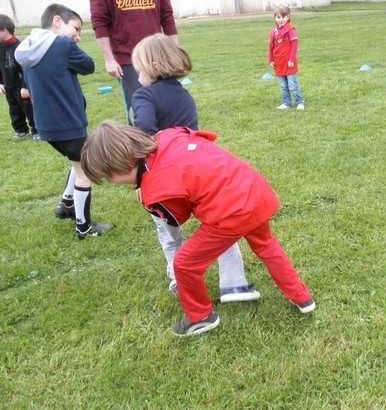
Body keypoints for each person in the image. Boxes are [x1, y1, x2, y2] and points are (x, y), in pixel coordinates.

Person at [81, 121, 315, 336]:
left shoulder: (154, 187)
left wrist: (151, 203)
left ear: (117, 167)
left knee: (184, 264)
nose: (111, 182)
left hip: (230, 214)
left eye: (108, 177)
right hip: (254, 189)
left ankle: (200, 316)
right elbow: (205, 137)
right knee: (266, 245)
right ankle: (302, 298)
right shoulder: (168, 135)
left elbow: (177, 218)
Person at [131, 33, 260, 302]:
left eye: (138, 66)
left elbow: (144, 135)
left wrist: (140, 180)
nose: (136, 73)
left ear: (153, 66)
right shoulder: (185, 95)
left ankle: (180, 280)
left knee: (170, 235)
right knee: (219, 224)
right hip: (195, 178)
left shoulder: (143, 96)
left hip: (163, 182)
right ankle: (234, 286)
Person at [15, 4, 114, 239]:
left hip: (45, 123)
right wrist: (70, 48)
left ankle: (66, 205)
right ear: (58, 21)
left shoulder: (27, 47)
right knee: (85, 171)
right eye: (76, 29)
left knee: (76, 162)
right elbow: (88, 66)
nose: (77, 36)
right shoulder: (61, 44)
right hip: (68, 121)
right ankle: (84, 227)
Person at [89, 0, 178, 116]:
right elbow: (99, 23)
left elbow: (167, 17)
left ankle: (164, 139)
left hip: (157, 57)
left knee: (166, 106)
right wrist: (109, 59)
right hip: (127, 61)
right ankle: (138, 141)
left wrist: (175, 54)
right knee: (137, 110)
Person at [0, 14, 37, 140]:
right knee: (14, 109)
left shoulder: (20, 47)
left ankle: (36, 130)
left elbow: (26, 69)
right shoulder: (0, 47)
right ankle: (21, 130)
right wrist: (1, 83)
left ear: (4, 30)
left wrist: (25, 86)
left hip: (21, 87)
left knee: (29, 109)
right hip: (8, 85)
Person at [268, 5, 305, 110]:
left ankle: (299, 102)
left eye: (283, 17)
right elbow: (271, 47)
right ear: (274, 18)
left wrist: (291, 59)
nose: (281, 20)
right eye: (278, 17)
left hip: (289, 63)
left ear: (288, 17)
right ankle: (286, 103)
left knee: (292, 85)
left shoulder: (290, 30)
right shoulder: (273, 33)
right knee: (283, 86)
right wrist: (270, 59)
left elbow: (294, 45)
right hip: (278, 63)